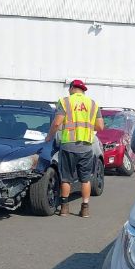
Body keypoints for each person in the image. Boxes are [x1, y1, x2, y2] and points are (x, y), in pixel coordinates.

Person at [45, 79, 104, 217]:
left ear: (72, 88)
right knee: (85, 179)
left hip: (68, 146)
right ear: (83, 90)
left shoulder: (65, 102)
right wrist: (87, 127)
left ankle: (64, 208)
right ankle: (85, 209)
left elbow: (57, 123)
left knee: (66, 179)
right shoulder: (93, 104)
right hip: (86, 147)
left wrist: (49, 137)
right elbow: (100, 126)